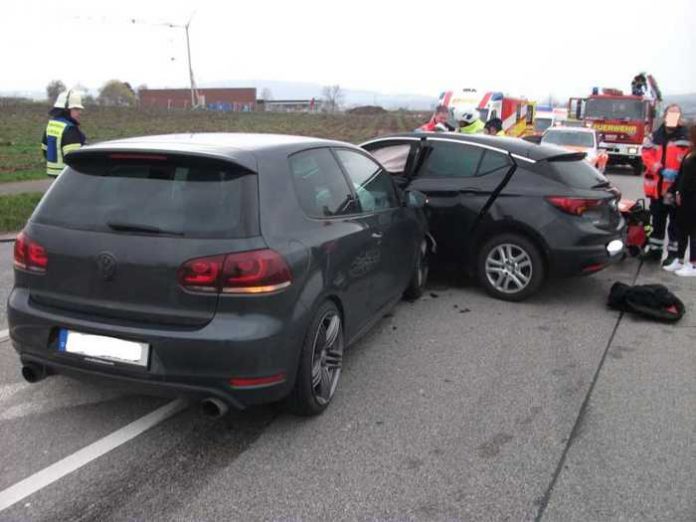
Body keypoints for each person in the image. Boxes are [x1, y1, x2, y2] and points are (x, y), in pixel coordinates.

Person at [640, 104, 690, 265]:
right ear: (665, 116)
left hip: (675, 190)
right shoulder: (653, 137)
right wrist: (660, 170)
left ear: (680, 118)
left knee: (675, 224)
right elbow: (646, 155)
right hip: (657, 190)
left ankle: (673, 255)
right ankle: (655, 251)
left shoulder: (687, 138)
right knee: (658, 221)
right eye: (670, 114)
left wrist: (681, 175)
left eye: (676, 115)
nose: (673, 118)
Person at [663, 124, 696, 276]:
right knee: (682, 228)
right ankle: (680, 259)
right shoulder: (690, 152)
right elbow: (681, 175)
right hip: (683, 198)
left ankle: (693, 264)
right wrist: (675, 191)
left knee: (693, 231)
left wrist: (683, 192)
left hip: (692, 198)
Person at [42, 90, 86, 177]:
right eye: (76, 109)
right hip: (68, 176)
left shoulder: (51, 125)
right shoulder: (69, 129)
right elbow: (75, 159)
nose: (79, 112)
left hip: (55, 175)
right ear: (66, 109)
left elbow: (44, 149)